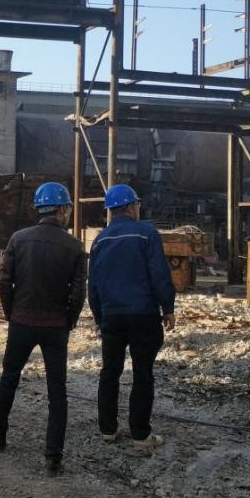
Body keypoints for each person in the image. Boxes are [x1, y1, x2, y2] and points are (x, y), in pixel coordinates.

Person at [0, 182, 86, 477]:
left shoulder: (18, 239)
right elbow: (78, 292)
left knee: (9, 377)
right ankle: (53, 456)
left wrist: (12, 313)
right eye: (68, 209)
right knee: (57, 391)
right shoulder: (74, 246)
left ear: (40, 209)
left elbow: (5, 282)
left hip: (22, 322)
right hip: (55, 326)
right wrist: (69, 320)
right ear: (62, 210)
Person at [89, 184, 176, 450]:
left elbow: (93, 285)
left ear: (111, 210)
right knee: (142, 373)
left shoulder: (100, 240)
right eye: (137, 205)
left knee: (110, 372)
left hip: (112, 316)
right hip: (143, 315)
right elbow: (159, 274)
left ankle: (107, 429)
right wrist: (168, 307)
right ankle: (140, 435)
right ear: (131, 207)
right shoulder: (146, 234)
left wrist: (99, 318)